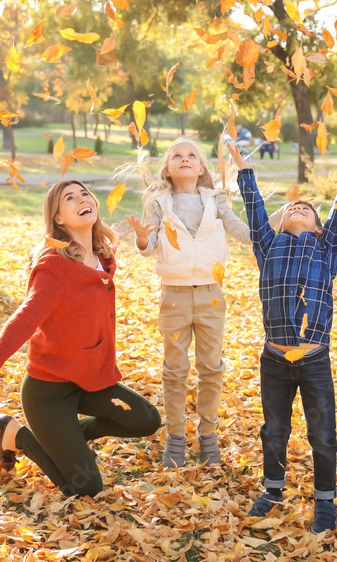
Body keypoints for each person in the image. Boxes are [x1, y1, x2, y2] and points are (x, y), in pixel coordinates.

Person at [0, 180, 161, 498]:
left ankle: (68, 439)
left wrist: (113, 240)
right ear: (59, 219)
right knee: (86, 487)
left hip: (89, 382)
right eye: (69, 198)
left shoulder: (101, 255)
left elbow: (93, 274)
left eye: (85, 192)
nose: (81, 198)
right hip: (49, 393)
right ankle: (15, 434)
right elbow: (27, 316)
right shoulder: (54, 267)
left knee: (146, 419)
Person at [227, 141, 337, 534]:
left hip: (315, 360)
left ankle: (324, 499)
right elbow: (254, 209)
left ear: (319, 227)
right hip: (276, 360)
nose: (298, 207)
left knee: (322, 433)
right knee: (275, 429)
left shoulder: (326, 245)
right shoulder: (269, 245)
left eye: (307, 209)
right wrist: (242, 168)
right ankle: (273, 489)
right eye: (291, 208)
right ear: (279, 223)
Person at [125, 138, 251, 468]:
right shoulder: (159, 202)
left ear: (201, 167)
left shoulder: (215, 200)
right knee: (175, 370)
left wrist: (275, 223)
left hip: (211, 295)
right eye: (177, 156)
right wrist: (140, 238)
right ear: (167, 168)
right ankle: (176, 438)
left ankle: (208, 436)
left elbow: (240, 230)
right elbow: (150, 245)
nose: (184, 159)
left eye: (191, 155)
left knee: (211, 368)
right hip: (175, 297)